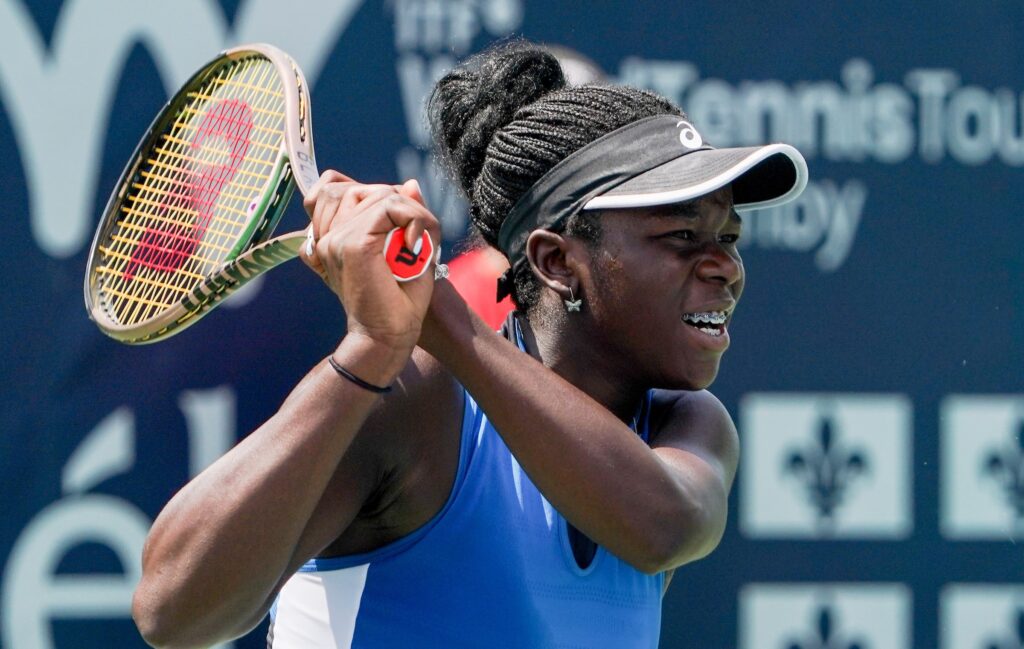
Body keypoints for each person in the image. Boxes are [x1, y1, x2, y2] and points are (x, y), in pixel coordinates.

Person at [131, 41, 807, 648]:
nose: (725, 266)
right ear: (556, 261)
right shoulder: (412, 404)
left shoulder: (685, 428)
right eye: (683, 236)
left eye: (728, 237)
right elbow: (172, 610)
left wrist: (444, 317)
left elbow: (664, 525)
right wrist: (372, 347)